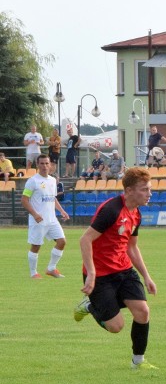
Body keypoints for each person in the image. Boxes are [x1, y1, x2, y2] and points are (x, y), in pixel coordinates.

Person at [73, 167, 158, 370]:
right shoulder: (111, 210)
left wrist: (146, 276)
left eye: (150, 189)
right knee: (115, 327)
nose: (149, 193)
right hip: (101, 275)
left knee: (143, 312)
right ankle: (89, 306)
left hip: (124, 270)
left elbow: (132, 247)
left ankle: (138, 362)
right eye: (144, 189)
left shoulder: (136, 213)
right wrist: (91, 273)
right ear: (129, 191)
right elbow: (85, 240)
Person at [21, 154, 69, 279]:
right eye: (42, 163)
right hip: (38, 220)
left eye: (47, 163)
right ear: (37, 165)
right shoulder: (32, 181)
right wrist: (35, 214)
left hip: (52, 219)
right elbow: (24, 200)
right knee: (36, 246)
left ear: (50, 165)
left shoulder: (53, 180)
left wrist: (62, 211)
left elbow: (53, 198)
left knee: (62, 241)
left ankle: (51, 268)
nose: (44, 166)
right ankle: (33, 273)